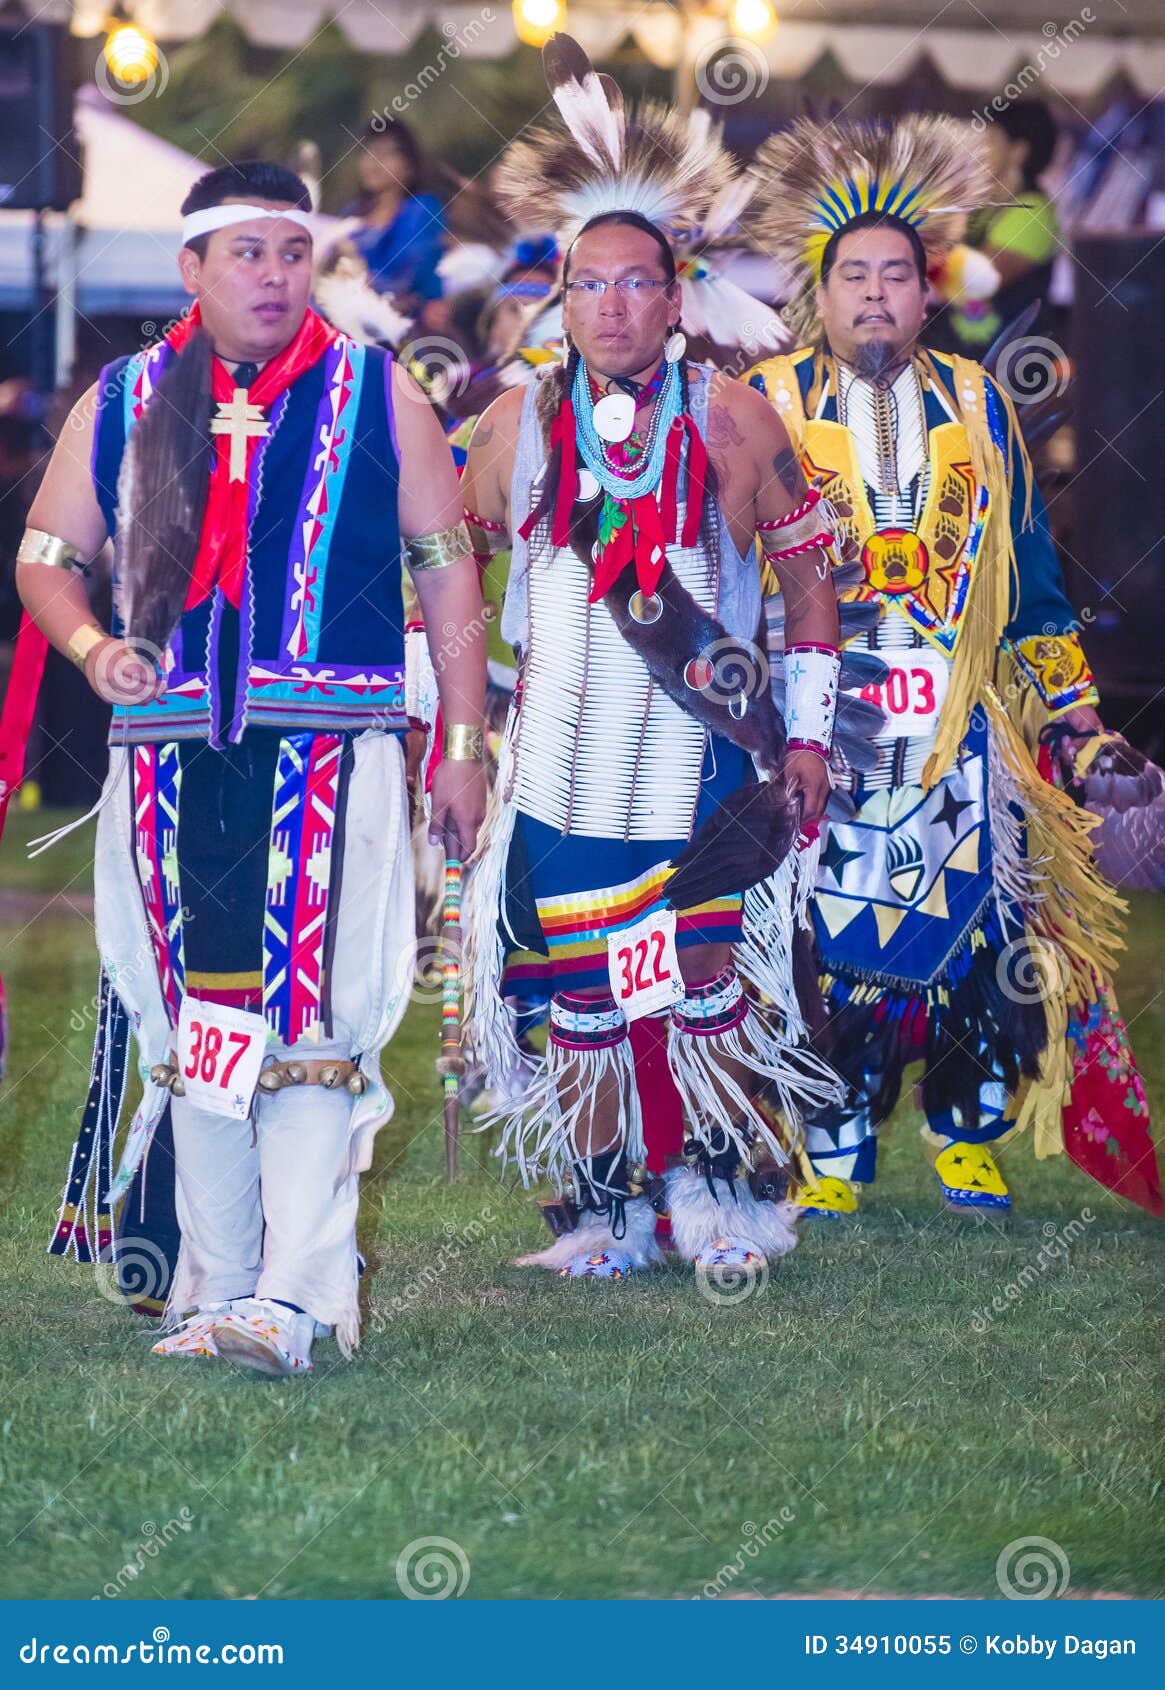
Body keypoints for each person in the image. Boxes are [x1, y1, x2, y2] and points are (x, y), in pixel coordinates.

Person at [18, 159, 487, 1374]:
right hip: (172, 763)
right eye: (247, 253)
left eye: (292, 252)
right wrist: (95, 645)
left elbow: (447, 577)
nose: (274, 275)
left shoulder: (376, 392)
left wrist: (467, 742)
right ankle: (213, 1285)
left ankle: (294, 1294)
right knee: (196, 1025)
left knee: (316, 1026)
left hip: (331, 755)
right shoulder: (121, 398)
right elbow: (45, 556)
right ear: (193, 268)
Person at [460, 37, 854, 1282]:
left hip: (701, 755)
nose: (615, 306)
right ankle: (602, 1210)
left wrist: (801, 737)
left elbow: (806, 586)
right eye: (592, 286)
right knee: (580, 995)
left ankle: (716, 1191)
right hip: (560, 763)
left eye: (639, 285)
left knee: (697, 985)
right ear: (559, 298)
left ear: (675, 296)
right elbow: (447, 580)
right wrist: (461, 733)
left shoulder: (737, 418)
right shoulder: (514, 424)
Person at [743, 116, 1160, 1217]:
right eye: (853, 278)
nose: (875, 295)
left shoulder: (978, 403)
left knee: (978, 923)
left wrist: (1071, 714)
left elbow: (1026, 572)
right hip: (814, 720)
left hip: (954, 718)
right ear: (818, 295)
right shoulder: (765, 403)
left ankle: (963, 1125)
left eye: (897, 276)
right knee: (822, 929)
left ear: (928, 295)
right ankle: (833, 1138)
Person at [342, 119, 445, 318]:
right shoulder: (351, 213)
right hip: (349, 314)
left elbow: (405, 278)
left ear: (409, 165)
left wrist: (356, 271)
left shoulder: (422, 209)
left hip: (410, 321)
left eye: (386, 152)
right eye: (368, 151)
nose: (374, 160)